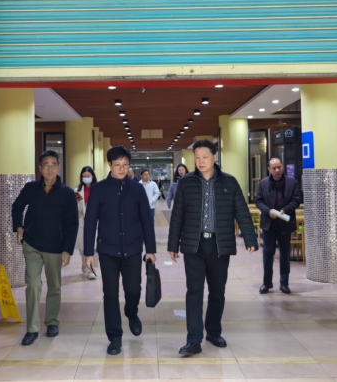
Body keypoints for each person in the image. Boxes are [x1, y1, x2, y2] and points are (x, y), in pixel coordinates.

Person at [168, 140, 257, 356]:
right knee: (194, 292)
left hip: (219, 245)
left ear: (215, 157)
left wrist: (250, 238)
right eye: (197, 157)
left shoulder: (229, 182)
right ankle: (193, 340)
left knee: (217, 291)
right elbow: (177, 215)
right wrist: (173, 244)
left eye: (205, 157)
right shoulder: (186, 183)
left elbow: (241, 211)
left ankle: (214, 332)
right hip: (194, 245)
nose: (200, 161)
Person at [84, 146, 157, 355]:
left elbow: (146, 220)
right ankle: (115, 337)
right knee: (110, 293)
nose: (122, 169)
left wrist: (150, 249)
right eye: (118, 165)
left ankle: (131, 312)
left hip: (133, 249)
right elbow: (90, 222)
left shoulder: (137, 189)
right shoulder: (99, 189)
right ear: (109, 165)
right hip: (108, 250)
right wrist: (88, 253)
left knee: (133, 290)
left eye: (125, 165)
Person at [11, 150, 79, 345]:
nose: (49, 169)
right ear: (40, 168)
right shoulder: (31, 188)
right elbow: (17, 206)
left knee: (54, 286)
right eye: (46, 165)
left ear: (58, 167)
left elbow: (72, 223)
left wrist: (67, 249)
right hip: (32, 243)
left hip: (55, 246)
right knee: (33, 285)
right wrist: (19, 227)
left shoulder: (67, 193)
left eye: (53, 165)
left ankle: (52, 322)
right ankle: (32, 328)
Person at [255, 158, 302, 295]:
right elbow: (258, 200)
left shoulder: (292, 183)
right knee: (267, 254)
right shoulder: (263, 183)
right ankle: (266, 283)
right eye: (274, 168)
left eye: (279, 167)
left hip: (284, 225)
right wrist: (268, 211)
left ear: (283, 167)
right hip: (268, 225)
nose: (277, 170)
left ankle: (284, 284)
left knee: (285, 255)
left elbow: (296, 200)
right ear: (269, 169)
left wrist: (285, 210)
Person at [74, 166, 99, 280]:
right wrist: (76, 202)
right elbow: (74, 208)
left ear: (92, 176)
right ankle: (85, 263)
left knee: (94, 247)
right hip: (82, 221)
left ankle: (92, 270)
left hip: (96, 221)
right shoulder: (77, 190)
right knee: (83, 248)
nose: (86, 178)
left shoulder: (98, 188)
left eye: (88, 176)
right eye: (83, 176)